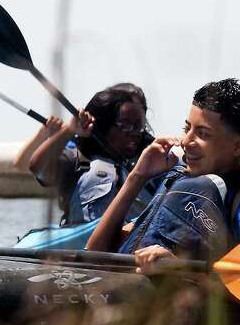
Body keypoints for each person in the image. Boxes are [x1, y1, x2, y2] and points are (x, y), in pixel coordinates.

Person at [86, 79, 240, 273]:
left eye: (203, 134)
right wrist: (138, 176)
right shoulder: (177, 183)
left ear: (238, 146)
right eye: (187, 128)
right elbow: (95, 251)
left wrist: (180, 268)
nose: (186, 141)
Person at [27, 83, 159, 226]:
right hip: (85, 246)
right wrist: (69, 130)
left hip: (136, 245)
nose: (134, 134)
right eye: (125, 125)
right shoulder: (77, 160)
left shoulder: (153, 162)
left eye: (139, 126)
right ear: (103, 126)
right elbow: (38, 167)